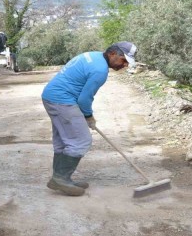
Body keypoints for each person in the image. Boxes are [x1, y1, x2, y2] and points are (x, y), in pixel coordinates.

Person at [41, 42, 138, 196]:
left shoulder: (94, 56)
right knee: (81, 141)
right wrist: (88, 116)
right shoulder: (100, 70)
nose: (125, 65)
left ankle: (60, 178)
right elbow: (85, 99)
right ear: (112, 53)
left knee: (64, 139)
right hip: (62, 100)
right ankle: (61, 178)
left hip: (51, 96)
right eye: (123, 60)